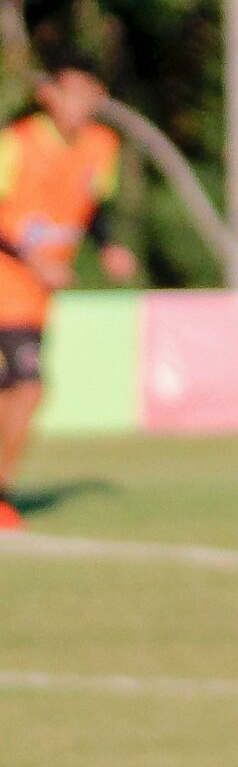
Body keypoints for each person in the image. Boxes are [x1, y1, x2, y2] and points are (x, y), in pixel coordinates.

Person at [0, 67, 137, 529]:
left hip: (30, 297)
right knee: (26, 383)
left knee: (25, 387)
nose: (84, 103)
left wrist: (108, 246)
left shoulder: (102, 146)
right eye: (74, 92)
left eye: (93, 94)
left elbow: (93, 205)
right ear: (48, 95)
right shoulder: (16, 142)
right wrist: (32, 258)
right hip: (7, 281)